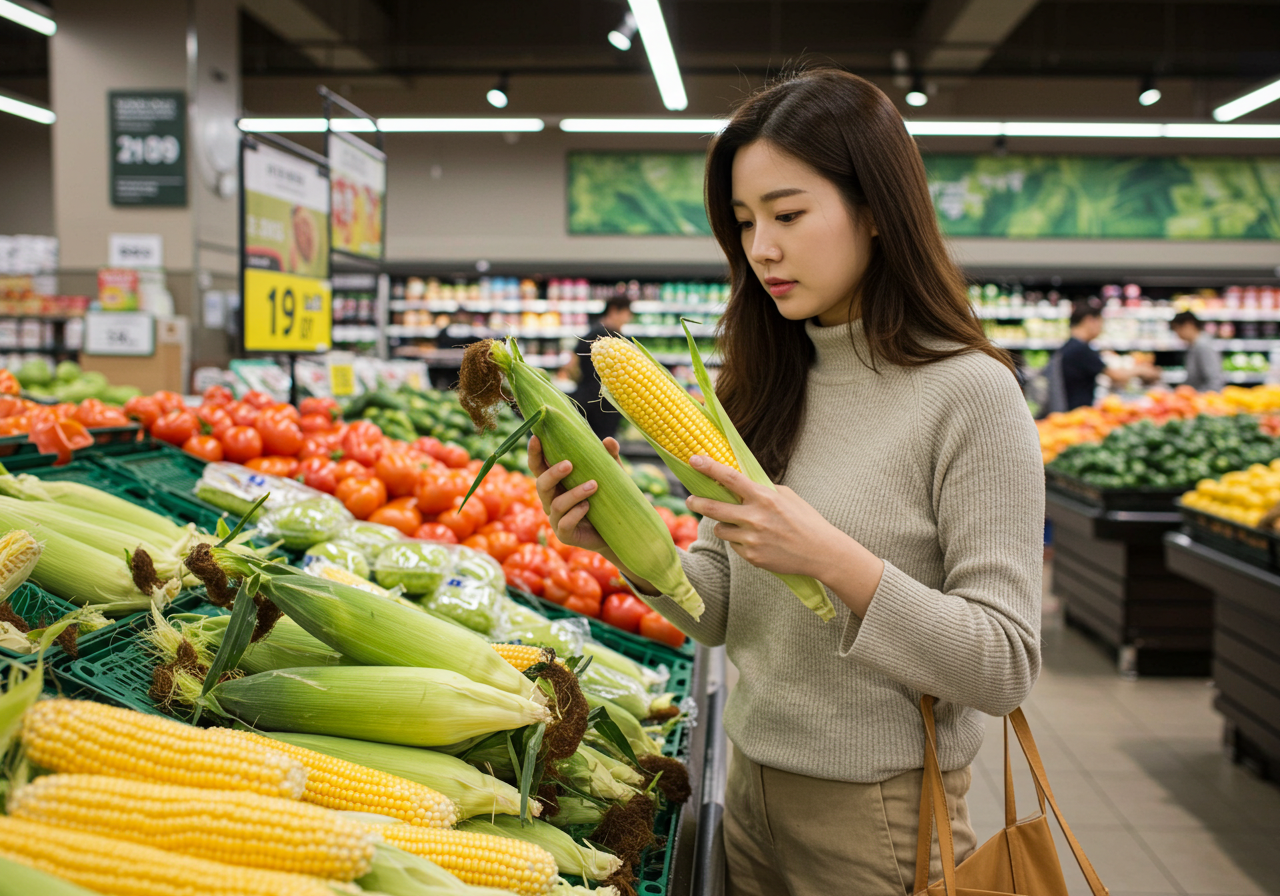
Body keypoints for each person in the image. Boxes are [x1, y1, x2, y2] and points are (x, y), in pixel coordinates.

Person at [531, 69, 1044, 896]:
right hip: (750, 792)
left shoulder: (970, 394)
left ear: (876, 208)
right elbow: (723, 612)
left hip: (879, 817)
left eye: (789, 214)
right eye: (744, 222)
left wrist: (832, 557)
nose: (760, 248)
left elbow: (1004, 663)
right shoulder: (763, 382)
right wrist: (623, 543)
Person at [1049, 300, 1159, 412]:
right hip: (1076, 412)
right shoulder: (1081, 349)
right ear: (1090, 320)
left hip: (1068, 409)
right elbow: (1115, 375)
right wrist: (1142, 370)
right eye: (1101, 322)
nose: (1101, 328)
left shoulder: (1069, 346)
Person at [571, 296, 634, 440]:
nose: (628, 318)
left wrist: (583, 382)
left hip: (586, 397)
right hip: (607, 404)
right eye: (627, 313)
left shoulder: (590, 333)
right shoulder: (617, 339)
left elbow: (572, 365)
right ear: (614, 310)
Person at [1171, 310, 1225, 392]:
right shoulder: (1194, 345)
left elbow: (1215, 381)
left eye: (1177, 328)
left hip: (1204, 400)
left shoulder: (1203, 346)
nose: (1177, 333)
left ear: (1189, 325)